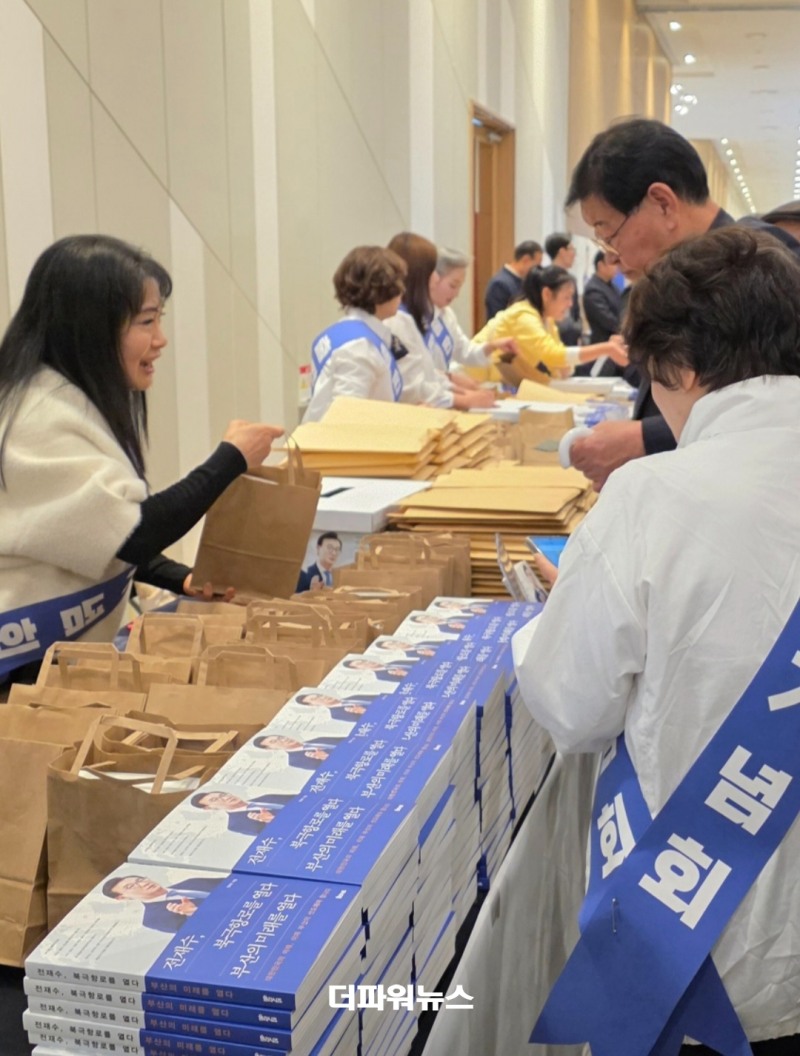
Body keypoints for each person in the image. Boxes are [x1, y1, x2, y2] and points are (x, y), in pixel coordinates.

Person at [513, 228, 800, 1054]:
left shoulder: (648, 496)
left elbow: (572, 707)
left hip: (711, 948)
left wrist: (546, 625)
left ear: (679, 366)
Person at [0, 235, 283, 686]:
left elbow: (94, 535)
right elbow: (131, 533)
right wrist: (231, 459)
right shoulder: (39, 417)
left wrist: (179, 579)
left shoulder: (68, 400)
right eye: (146, 322)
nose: (160, 339)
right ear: (91, 328)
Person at [564, 117, 733, 490]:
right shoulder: (684, 275)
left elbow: (762, 415)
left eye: (610, 233)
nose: (614, 257)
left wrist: (644, 439)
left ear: (663, 203)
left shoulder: (749, 270)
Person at [384, 232, 495, 410]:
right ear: (417, 276)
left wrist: (454, 386)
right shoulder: (396, 321)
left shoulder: (415, 317)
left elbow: (426, 373)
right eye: (432, 273)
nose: (435, 279)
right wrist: (463, 399)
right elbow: (411, 387)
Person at [474, 266, 628, 388]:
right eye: (566, 297)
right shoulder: (523, 316)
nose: (570, 304)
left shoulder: (547, 320)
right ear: (547, 294)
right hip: (478, 381)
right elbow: (553, 354)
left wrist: (565, 366)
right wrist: (606, 349)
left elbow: (558, 360)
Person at [302, 246, 407, 424]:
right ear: (381, 291)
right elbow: (347, 420)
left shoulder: (340, 332)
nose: (402, 293)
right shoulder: (359, 347)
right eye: (398, 286)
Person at [428, 247, 519, 379]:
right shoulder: (411, 318)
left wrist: (492, 346)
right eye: (453, 286)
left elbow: (464, 351)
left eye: (459, 287)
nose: (457, 294)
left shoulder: (447, 315)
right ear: (432, 279)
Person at [102, 873, 222, 934]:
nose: (143, 884)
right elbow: (199, 934)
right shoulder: (153, 918)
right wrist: (194, 914)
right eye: (130, 886)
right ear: (123, 897)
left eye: (140, 880)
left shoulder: (191, 882)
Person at [189, 789, 296, 836]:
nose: (226, 798)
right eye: (215, 800)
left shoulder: (267, 797)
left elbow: (301, 798)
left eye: (223, 795)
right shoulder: (236, 824)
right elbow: (273, 837)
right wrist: (272, 821)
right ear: (209, 808)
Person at [484, 240, 543, 322]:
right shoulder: (499, 284)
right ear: (526, 260)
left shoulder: (525, 281)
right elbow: (496, 319)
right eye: (537, 265)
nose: (538, 269)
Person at [544, 233, 582, 345]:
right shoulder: (544, 277)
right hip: (552, 338)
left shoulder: (572, 279)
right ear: (562, 251)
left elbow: (575, 311)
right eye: (572, 249)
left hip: (572, 337)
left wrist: (577, 328)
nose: (574, 254)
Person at [253, 733, 344, 769]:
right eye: (274, 741)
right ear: (270, 749)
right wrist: (327, 758)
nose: (284, 739)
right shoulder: (295, 761)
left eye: (280, 737)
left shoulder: (319, 739)